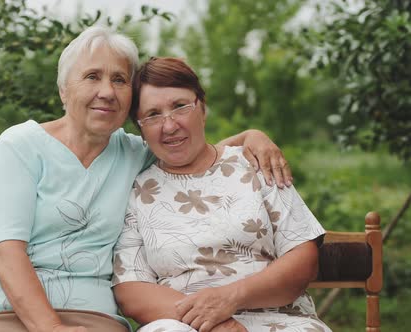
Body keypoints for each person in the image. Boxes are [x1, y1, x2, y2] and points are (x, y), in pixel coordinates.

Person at [0, 27, 292, 332]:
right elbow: (5, 252)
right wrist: (51, 328)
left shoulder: (133, 153)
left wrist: (250, 137)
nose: (107, 91)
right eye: (92, 76)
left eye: (119, 80)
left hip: (93, 315)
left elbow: (195, 154)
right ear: (64, 90)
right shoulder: (20, 147)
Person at [112, 57, 331, 332]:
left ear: (202, 109)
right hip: (182, 323)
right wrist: (214, 323)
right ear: (140, 128)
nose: (169, 126)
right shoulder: (137, 191)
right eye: (153, 115)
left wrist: (230, 298)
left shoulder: (256, 164)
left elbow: (303, 257)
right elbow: (131, 289)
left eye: (180, 106)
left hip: (280, 320)